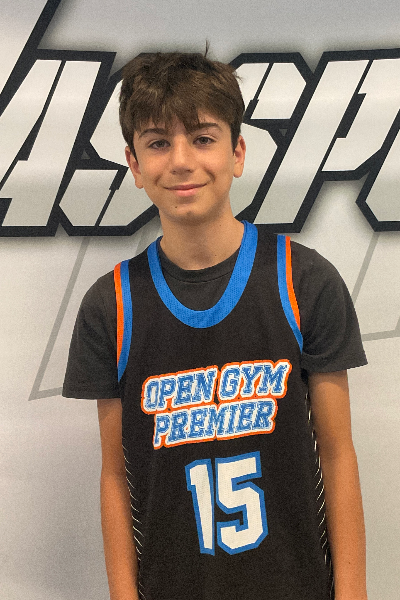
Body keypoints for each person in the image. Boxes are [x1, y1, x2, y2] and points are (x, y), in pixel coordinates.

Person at [63, 51, 368, 600]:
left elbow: (338, 455)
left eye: (203, 138)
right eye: (158, 142)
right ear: (134, 164)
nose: (182, 161)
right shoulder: (111, 306)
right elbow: (115, 476)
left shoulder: (304, 281)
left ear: (237, 153)